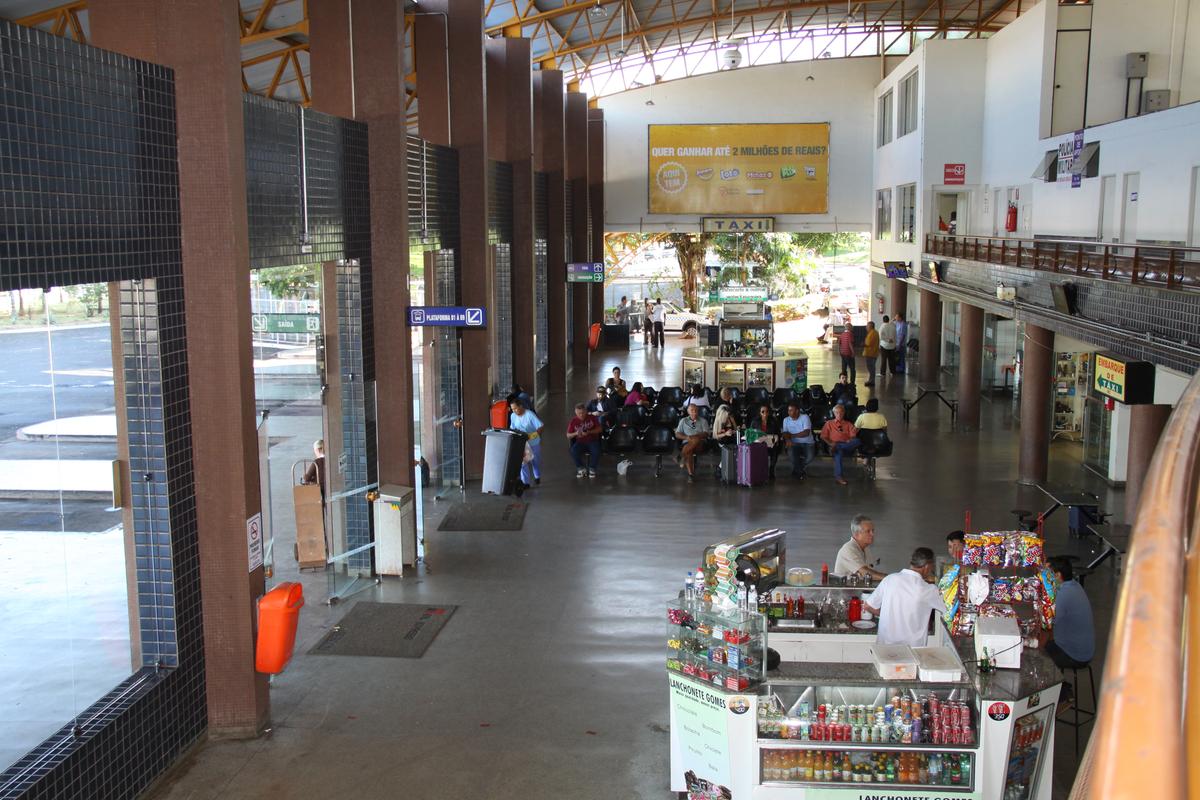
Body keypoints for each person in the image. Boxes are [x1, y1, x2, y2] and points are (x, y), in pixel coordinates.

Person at [863, 548, 947, 648]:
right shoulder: (928, 590)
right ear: (927, 566)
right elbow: (949, 610)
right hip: (911, 651)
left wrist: (889, 615)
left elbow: (868, 606)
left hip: (885, 648)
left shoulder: (890, 579)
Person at [1043, 556, 1095, 670]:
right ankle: (1060, 684)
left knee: (1037, 654)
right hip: (1083, 650)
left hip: (1075, 655)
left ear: (1057, 575)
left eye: (1047, 574)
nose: (1044, 577)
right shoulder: (1074, 585)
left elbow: (1048, 624)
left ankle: (1059, 686)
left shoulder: (1064, 594)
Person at [834, 514, 886, 581]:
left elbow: (871, 574)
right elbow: (866, 574)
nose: (872, 534)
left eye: (873, 531)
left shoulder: (866, 549)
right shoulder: (848, 549)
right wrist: (891, 578)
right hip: (844, 591)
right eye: (868, 531)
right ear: (857, 534)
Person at [820, 403, 861, 485]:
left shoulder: (848, 424)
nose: (839, 414)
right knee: (838, 453)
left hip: (846, 446)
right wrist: (831, 444)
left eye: (841, 412)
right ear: (834, 413)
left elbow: (853, 436)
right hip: (833, 445)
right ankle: (839, 477)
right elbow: (823, 436)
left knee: (857, 441)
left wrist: (851, 439)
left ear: (844, 413)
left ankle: (838, 447)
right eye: (837, 412)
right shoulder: (829, 423)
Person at [508, 397, 545, 487]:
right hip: (522, 443)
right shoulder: (513, 416)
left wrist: (531, 436)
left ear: (521, 406)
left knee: (534, 461)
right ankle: (526, 483)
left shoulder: (530, 414)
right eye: (512, 409)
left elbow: (541, 427)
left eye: (516, 408)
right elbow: (512, 428)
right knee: (523, 462)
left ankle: (537, 475)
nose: (514, 411)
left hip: (533, 442)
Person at [674, 403, 710, 482]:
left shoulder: (703, 421)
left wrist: (695, 437)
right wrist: (687, 437)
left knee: (696, 439)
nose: (694, 412)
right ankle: (691, 475)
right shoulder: (683, 421)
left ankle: (680, 456)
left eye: (696, 411)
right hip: (687, 442)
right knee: (689, 451)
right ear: (688, 411)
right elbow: (677, 434)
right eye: (692, 410)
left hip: (700, 443)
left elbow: (706, 434)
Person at [780, 403, 815, 479]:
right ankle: (800, 472)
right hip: (793, 443)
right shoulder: (786, 420)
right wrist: (787, 439)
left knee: (810, 457)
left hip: (807, 443)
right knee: (792, 456)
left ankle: (797, 469)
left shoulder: (805, 417)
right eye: (788, 410)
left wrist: (791, 436)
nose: (789, 412)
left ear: (797, 411)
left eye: (791, 410)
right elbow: (785, 433)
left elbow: (806, 433)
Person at [566, 403, 602, 478]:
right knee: (573, 451)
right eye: (579, 413)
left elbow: (600, 429)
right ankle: (581, 468)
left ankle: (592, 468)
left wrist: (589, 432)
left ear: (586, 411)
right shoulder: (573, 421)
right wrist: (576, 433)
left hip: (592, 440)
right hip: (580, 442)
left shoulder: (592, 418)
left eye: (583, 413)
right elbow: (568, 435)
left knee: (596, 451)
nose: (581, 415)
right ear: (576, 413)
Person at [748, 404, 782, 478]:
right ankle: (760, 470)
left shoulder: (773, 421)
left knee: (775, 450)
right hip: (759, 444)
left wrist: (776, 439)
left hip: (770, 443)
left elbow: (778, 433)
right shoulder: (755, 421)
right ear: (760, 413)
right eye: (763, 412)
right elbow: (751, 433)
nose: (765, 414)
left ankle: (771, 470)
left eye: (767, 411)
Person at [301, 439, 327, 506]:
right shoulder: (329, 459)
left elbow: (307, 478)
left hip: (320, 490)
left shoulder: (317, 462)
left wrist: (305, 476)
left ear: (318, 450)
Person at [862, 321, 880, 387]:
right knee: (871, 367)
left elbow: (868, 344)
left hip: (871, 353)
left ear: (870, 327)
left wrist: (862, 344)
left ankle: (872, 381)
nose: (866, 327)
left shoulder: (873, 333)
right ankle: (871, 380)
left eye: (867, 326)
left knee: (871, 368)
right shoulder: (874, 332)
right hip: (872, 353)